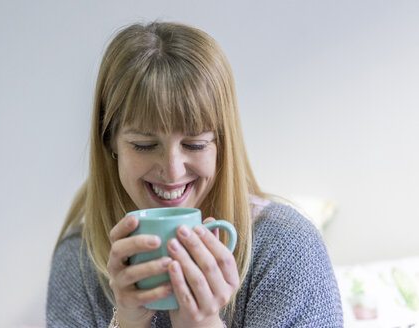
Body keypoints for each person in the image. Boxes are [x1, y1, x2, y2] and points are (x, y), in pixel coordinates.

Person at [46, 21, 343, 328]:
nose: (172, 171)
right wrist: (126, 322)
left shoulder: (287, 250)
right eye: (144, 145)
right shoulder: (79, 261)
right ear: (110, 143)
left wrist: (204, 323)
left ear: (222, 145)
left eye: (195, 144)